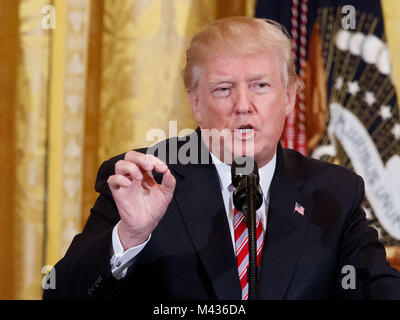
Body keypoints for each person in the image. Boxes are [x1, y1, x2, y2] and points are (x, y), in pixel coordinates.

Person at [43, 16, 400, 300]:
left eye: (261, 85)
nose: (243, 105)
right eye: (223, 89)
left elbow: (379, 289)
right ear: (195, 102)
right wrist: (131, 236)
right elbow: (59, 294)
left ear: (290, 97)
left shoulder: (333, 192)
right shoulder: (145, 178)